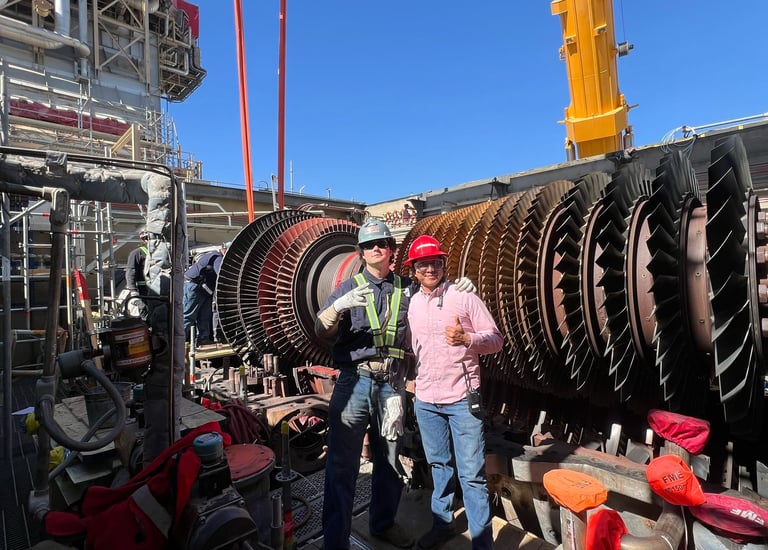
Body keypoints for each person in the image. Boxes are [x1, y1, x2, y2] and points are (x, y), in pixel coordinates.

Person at [315, 218, 414, 549]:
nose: (376, 249)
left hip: (391, 385)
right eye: (369, 245)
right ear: (361, 252)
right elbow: (321, 329)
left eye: (382, 243)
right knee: (341, 466)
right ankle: (335, 542)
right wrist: (337, 307)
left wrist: (458, 292)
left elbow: (436, 303)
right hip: (354, 383)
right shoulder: (349, 288)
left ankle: (383, 524)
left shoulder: (408, 288)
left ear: (391, 250)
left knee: (389, 459)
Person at [405, 235, 503, 550]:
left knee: (471, 474)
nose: (430, 269)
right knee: (439, 466)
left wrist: (468, 340)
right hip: (426, 400)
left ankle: (482, 542)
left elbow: (496, 340)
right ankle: (443, 525)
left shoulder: (464, 297)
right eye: (423, 264)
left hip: (462, 399)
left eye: (435, 262)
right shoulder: (412, 303)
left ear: (444, 265)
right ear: (414, 271)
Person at [183, 243, 226, 346]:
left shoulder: (215, 257)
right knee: (189, 315)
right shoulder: (217, 258)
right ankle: (179, 340)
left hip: (204, 290)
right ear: (224, 250)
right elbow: (221, 274)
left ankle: (203, 339)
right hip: (195, 286)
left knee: (205, 315)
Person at [121, 229, 149, 318]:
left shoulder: (159, 253)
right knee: (146, 312)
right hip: (143, 290)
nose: (148, 240)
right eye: (146, 238)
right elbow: (131, 271)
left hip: (158, 289)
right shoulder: (137, 253)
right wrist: (133, 290)